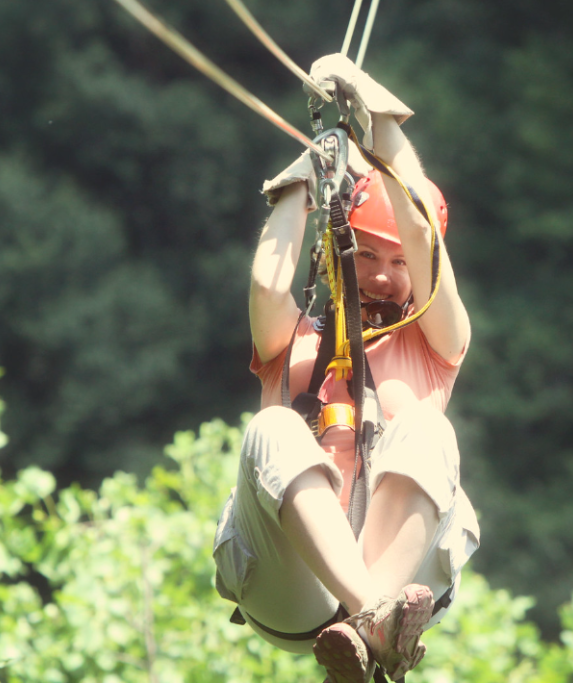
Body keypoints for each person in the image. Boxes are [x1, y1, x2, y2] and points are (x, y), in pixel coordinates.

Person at [213, 54, 479, 683]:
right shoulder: (293, 342)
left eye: (400, 263)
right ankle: (373, 620)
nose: (385, 274)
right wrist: (298, 188)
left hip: (400, 563)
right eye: (369, 255)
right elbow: (265, 283)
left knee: (428, 429)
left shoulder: (438, 344)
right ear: (339, 249)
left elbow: (419, 231)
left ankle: (368, 624)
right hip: (291, 588)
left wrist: (380, 122)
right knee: (273, 429)